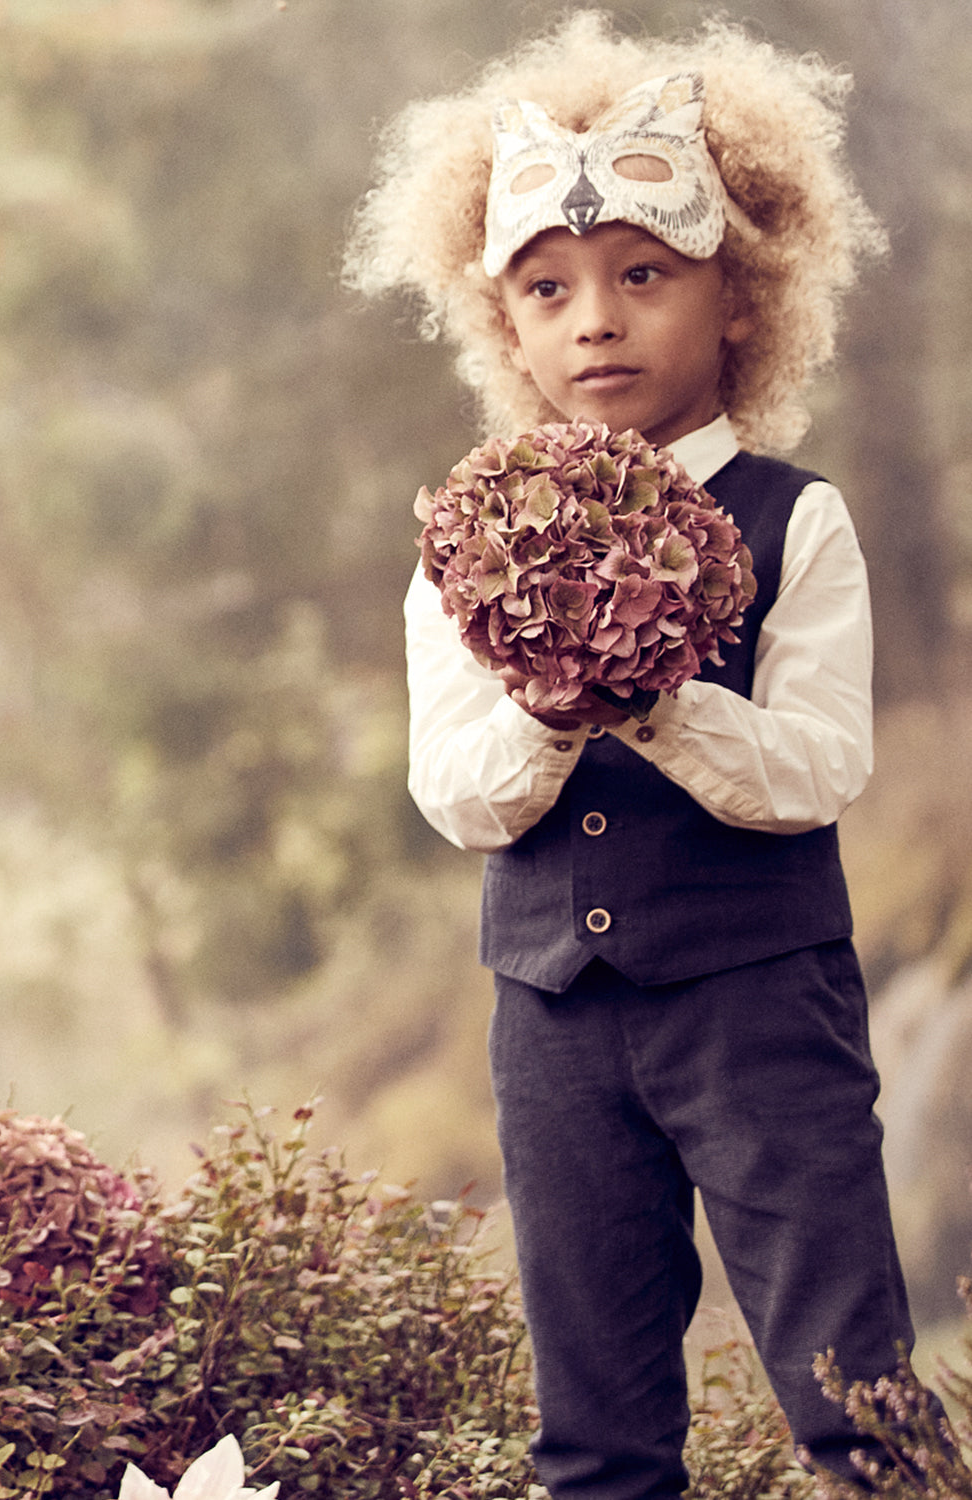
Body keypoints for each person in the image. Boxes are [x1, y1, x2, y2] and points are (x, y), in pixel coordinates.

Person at [343, 13, 928, 1500]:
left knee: (845, 1383)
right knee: (592, 1415)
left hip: (760, 1003)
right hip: (551, 1015)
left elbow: (814, 769)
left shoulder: (796, 520)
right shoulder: (461, 553)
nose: (593, 320)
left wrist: (657, 692)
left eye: (641, 277)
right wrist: (547, 703)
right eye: (547, 289)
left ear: (739, 301)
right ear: (504, 327)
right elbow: (455, 792)